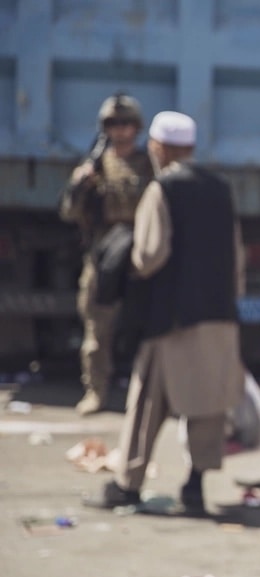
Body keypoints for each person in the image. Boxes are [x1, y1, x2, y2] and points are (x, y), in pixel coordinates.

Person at [83, 111, 245, 515]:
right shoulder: (221, 189)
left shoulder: (163, 188)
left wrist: (129, 267)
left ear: (161, 147)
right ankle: (194, 488)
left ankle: (128, 484)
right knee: (208, 405)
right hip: (218, 315)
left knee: (147, 400)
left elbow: (150, 255)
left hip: (172, 317)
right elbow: (237, 257)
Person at [59, 93, 155, 415]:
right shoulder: (94, 166)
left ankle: (150, 395)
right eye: (113, 124)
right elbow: (70, 213)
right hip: (104, 254)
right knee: (97, 327)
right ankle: (96, 391)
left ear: (136, 127)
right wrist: (80, 185)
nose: (120, 130)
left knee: (149, 329)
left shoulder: (148, 164)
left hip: (140, 253)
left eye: (126, 123)